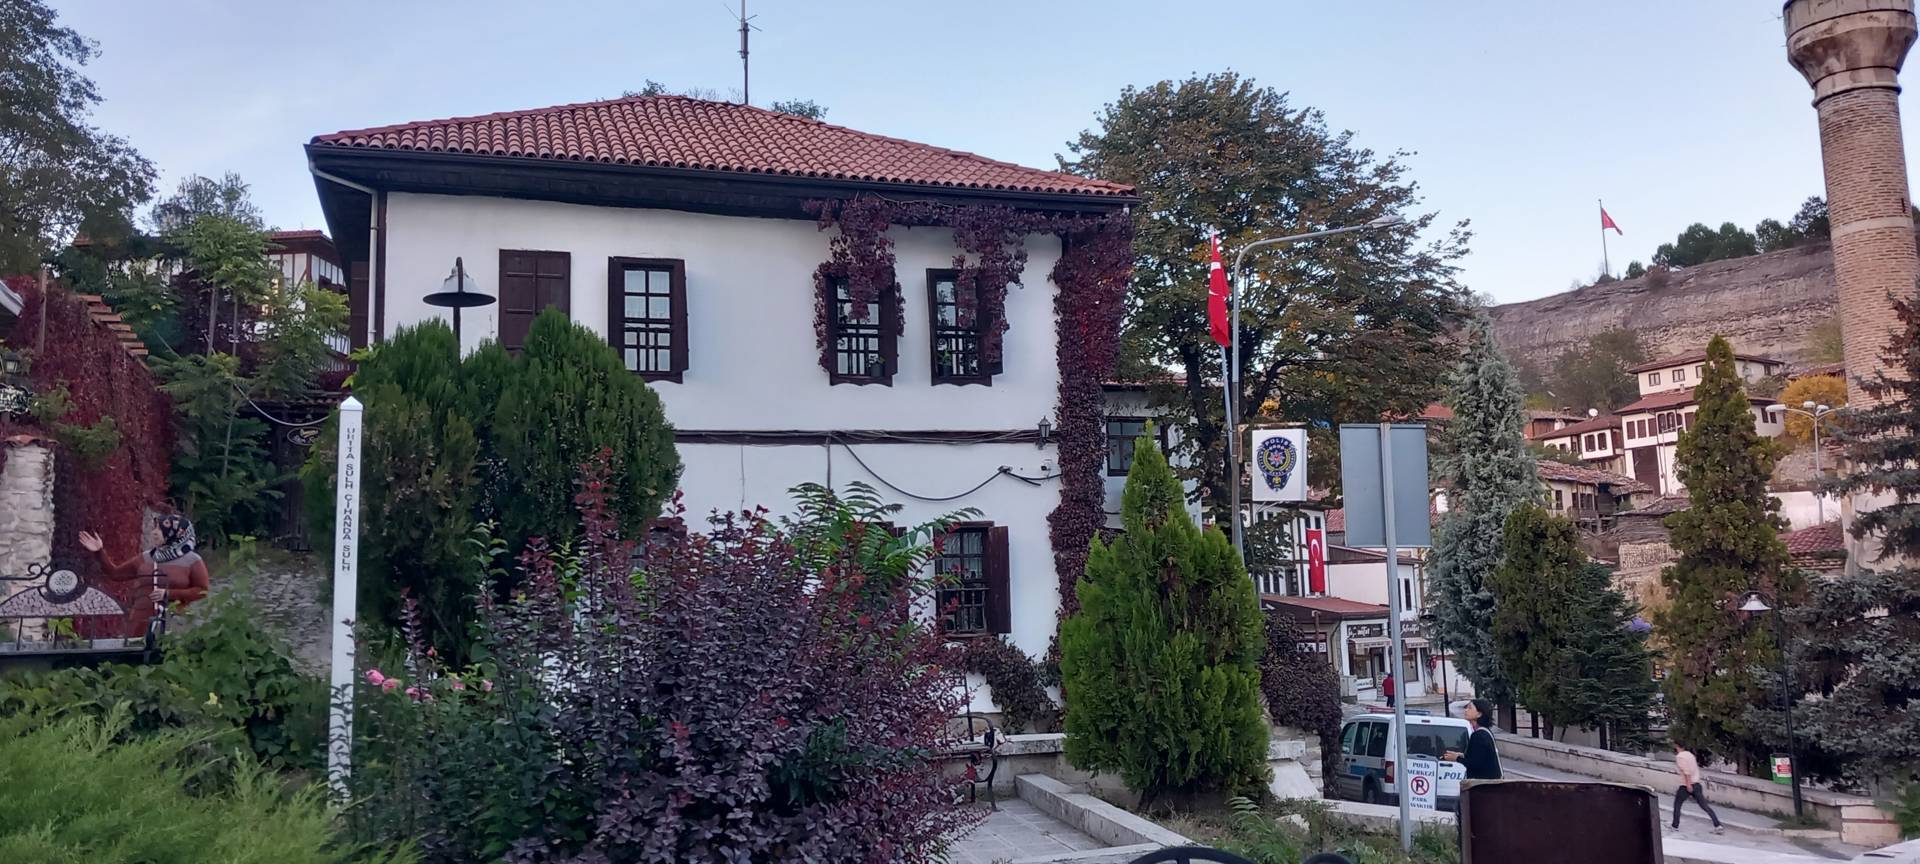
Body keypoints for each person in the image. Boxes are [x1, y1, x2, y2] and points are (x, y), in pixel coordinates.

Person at [77, 515, 209, 609]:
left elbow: (202, 591)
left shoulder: (193, 560)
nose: (154, 533)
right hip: (140, 622)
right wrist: (99, 551)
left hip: (174, 624)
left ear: (177, 532)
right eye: (155, 528)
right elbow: (115, 574)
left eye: (160, 529)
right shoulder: (146, 557)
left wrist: (169, 594)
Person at [1671, 742, 1724, 833]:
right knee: (1704, 806)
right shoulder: (1690, 755)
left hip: (1686, 785)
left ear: (1676, 746)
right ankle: (1717, 825)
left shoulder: (1680, 756)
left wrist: (1688, 785)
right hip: (1697, 784)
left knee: (1677, 805)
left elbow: (1686, 771)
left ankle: (1675, 826)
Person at [1444, 698, 1503, 781]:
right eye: (1466, 707)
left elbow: (1476, 763)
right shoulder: (1484, 732)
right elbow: (1479, 757)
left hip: (1484, 785)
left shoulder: (1479, 735)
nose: (1466, 710)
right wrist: (1460, 755)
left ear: (1479, 714)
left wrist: (1457, 758)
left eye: (1470, 708)